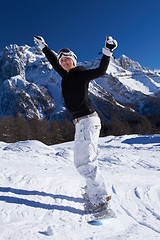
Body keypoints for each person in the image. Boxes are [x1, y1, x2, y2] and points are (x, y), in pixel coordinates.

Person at [34, 35, 117, 212]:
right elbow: (53, 62)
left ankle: (101, 201)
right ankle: (94, 192)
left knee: (85, 162)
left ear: (73, 60)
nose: (64, 63)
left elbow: (101, 71)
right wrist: (44, 47)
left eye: (67, 60)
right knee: (82, 161)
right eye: (62, 61)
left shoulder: (80, 74)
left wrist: (107, 51)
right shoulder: (65, 75)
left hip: (88, 120)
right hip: (81, 123)